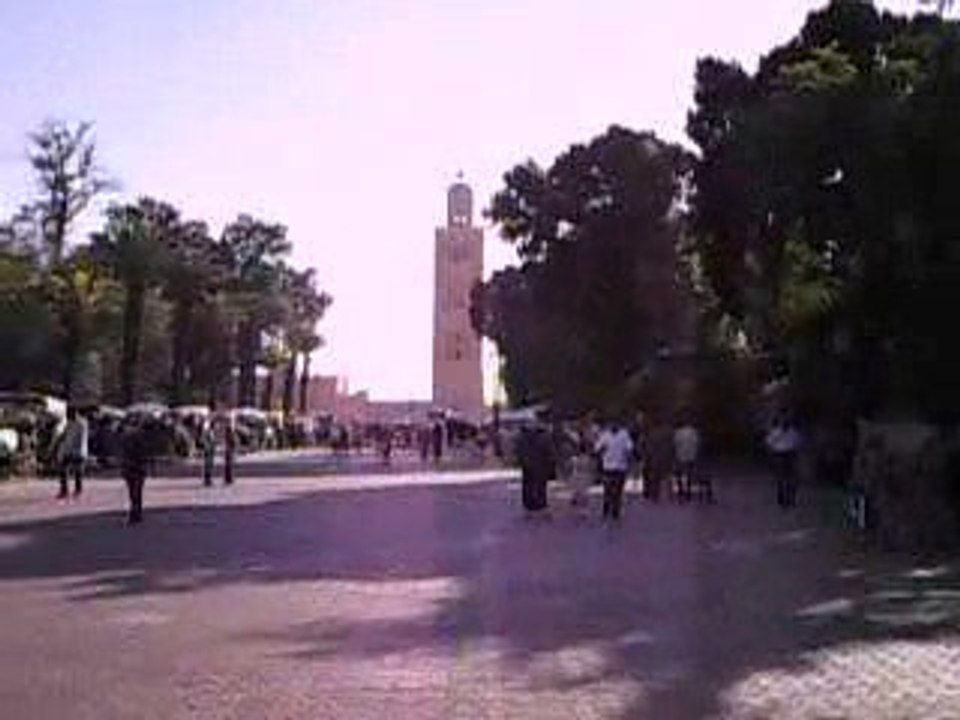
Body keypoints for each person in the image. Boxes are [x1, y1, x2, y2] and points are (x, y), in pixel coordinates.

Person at [595, 417, 634, 522]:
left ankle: (615, 512)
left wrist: (629, 461)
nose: (613, 425)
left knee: (618, 491)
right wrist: (602, 451)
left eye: (615, 423)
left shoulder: (624, 434)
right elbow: (597, 448)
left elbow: (629, 449)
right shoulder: (605, 435)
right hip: (607, 467)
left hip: (620, 467)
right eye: (611, 423)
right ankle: (606, 510)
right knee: (607, 490)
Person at [515, 423, 554, 515]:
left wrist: (521, 461)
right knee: (541, 485)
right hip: (541, 465)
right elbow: (549, 452)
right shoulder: (545, 438)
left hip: (527, 465)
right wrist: (550, 463)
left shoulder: (521, 438)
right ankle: (541, 503)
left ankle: (528, 504)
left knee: (527, 485)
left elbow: (518, 451)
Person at [119, 417, 152, 525]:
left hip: (131, 467)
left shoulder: (127, 436)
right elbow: (145, 453)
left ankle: (135, 513)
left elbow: (124, 453)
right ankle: (137, 513)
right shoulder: (141, 436)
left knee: (133, 492)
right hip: (138, 467)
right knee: (137, 492)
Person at [766, 413, 802, 508]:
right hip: (780, 454)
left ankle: (791, 498)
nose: (785, 423)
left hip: (790, 454)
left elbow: (799, 443)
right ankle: (782, 498)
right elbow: (769, 442)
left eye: (787, 421)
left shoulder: (793, 432)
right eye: (784, 421)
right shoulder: (776, 431)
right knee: (781, 477)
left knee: (791, 478)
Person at [56, 407, 89, 499]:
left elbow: (82, 438)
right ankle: (64, 490)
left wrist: (77, 450)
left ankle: (78, 490)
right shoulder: (69, 423)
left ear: (76, 413)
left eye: (70, 414)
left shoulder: (82, 423)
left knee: (78, 472)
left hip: (79, 451)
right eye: (68, 415)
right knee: (62, 469)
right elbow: (65, 435)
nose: (69, 416)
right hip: (68, 449)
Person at [644, 416, 674, 502]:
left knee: (655, 477)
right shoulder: (667, 432)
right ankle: (669, 494)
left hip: (655, 458)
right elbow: (671, 445)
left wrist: (648, 456)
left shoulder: (651, 433)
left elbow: (648, 447)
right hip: (665, 457)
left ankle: (655, 495)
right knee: (667, 476)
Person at [673, 418, 701, 502]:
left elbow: (675, 443)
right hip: (691, 455)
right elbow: (697, 443)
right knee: (689, 474)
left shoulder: (678, 432)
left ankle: (681, 490)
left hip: (680, 455)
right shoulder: (694, 432)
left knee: (679, 473)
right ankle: (688, 490)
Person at [568, 434, 595, 509]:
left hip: (578, 476)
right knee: (583, 493)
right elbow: (591, 468)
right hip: (583, 476)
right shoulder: (587, 458)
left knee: (578, 492)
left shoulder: (575, 458)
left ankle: (576, 501)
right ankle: (582, 505)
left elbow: (570, 467)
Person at [200, 420, 216, 487]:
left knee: (210, 465)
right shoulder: (207, 432)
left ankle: (209, 480)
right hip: (208, 451)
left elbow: (213, 441)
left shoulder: (212, 432)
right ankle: (207, 480)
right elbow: (203, 440)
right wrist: (207, 447)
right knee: (207, 466)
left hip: (211, 451)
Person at [223, 418, 237, 486]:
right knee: (229, 466)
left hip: (228, 451)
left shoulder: (228, 434)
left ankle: (228, 479)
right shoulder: (230, 434)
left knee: (228, 466)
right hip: (229, 451)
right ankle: (229, 479)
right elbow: (233, 442)